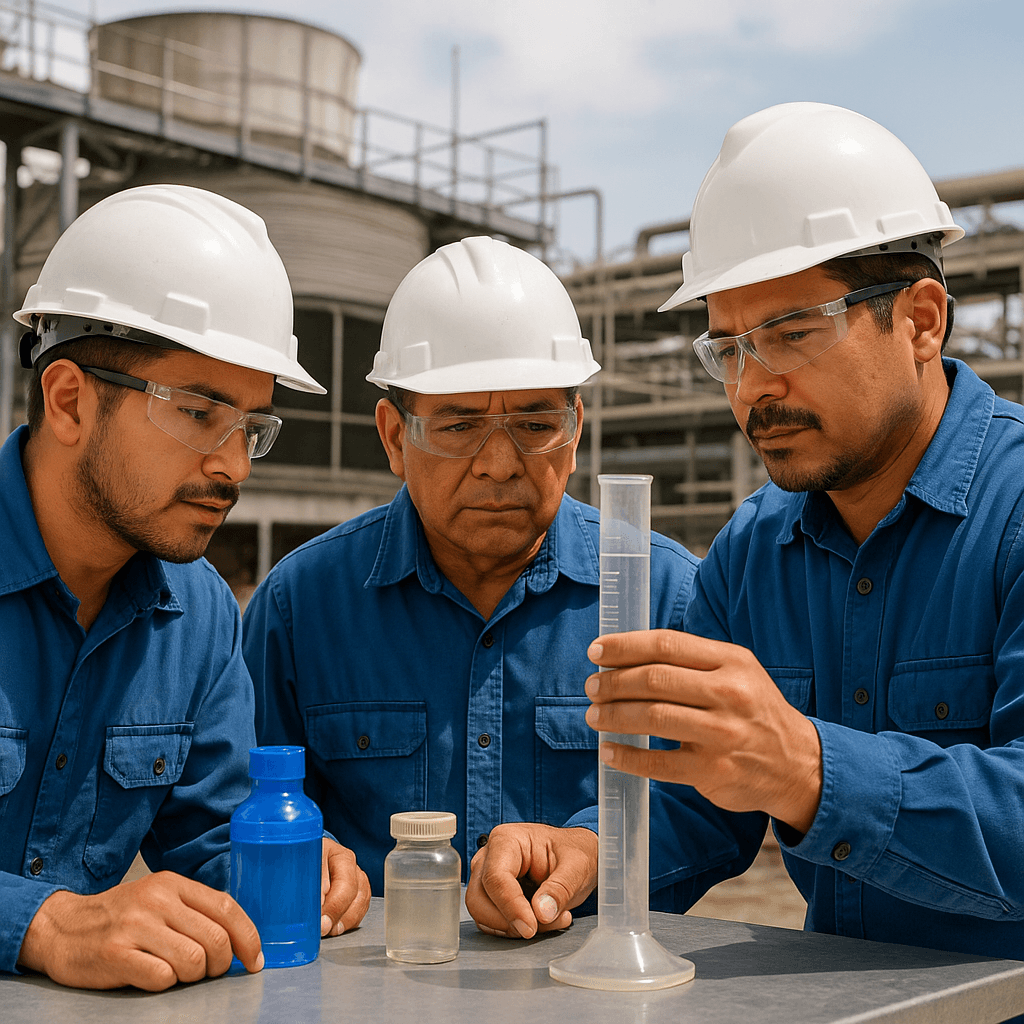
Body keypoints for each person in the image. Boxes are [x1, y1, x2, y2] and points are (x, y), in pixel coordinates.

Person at [467, 101, 1024, 962]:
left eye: (791, 334)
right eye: (727, 349)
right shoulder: (754, 552)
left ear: (920, 319)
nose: (750, 389)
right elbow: (698, 798)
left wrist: (807, 767)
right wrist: (586, 854)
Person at [242, 235, 700, 906]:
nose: (499, 463)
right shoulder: (301, 607)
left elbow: (714, 809)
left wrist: (598, 847)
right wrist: (297, 859)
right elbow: (232, 805)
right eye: (458, 427)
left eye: (534, 423)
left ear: (575, 429)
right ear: (395, 438)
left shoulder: (662, 594)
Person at [1, 184, 369, 991]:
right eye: (200, 412)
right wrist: (41, 922)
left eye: (252, 427)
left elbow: (207, 841)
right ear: (69, 400)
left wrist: (284, 862)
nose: (234, 466)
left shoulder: (197, 614)